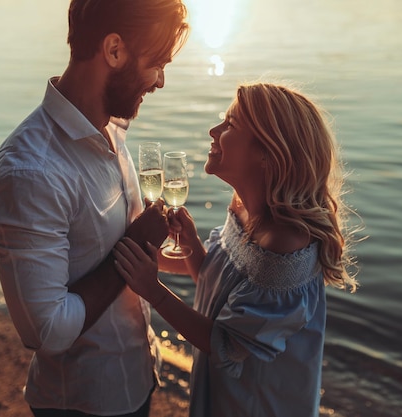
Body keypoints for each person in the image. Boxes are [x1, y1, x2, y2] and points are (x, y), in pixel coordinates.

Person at [0, 1, 189, 416]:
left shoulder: (109, 128)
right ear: (114, 50)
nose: (160, 81)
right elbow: (48, 330)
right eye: (158, 63)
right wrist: (134, 244)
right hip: (84, 403)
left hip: (137, 378)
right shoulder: (30, 171)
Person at [113, 83, 360, 417]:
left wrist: (152, 291)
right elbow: (218, 291)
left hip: (257, 404)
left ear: (267, 153)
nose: (213, 131)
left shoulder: (284, 247)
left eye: (230, 125)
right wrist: (192, 247)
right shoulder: (243, 209)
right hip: (225, 394)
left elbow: (227, 343)